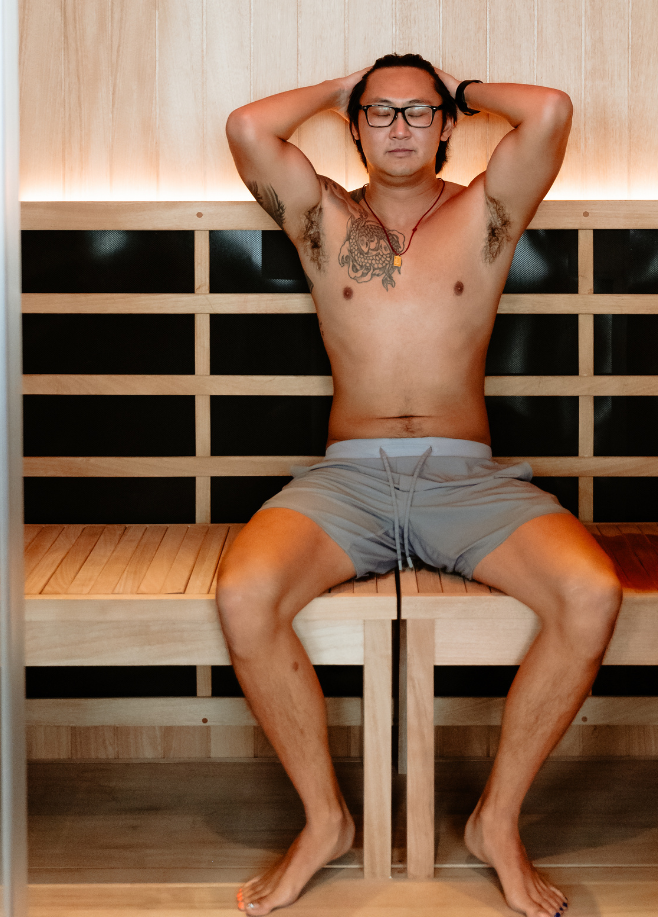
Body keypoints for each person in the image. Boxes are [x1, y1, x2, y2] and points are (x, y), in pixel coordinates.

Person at [221, 55, 622, 917]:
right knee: (245, 594)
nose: (399, 127)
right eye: (379, 114)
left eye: (418, 112)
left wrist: (465, 91)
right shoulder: (326, 217)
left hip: (465, 481)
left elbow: (550, 111)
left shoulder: (485, 212)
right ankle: (325, 821)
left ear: (446, 125)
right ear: (354, 127)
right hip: (348, 483)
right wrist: (339, 90)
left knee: (590, 595)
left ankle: (497, 823)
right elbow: (250, 130)